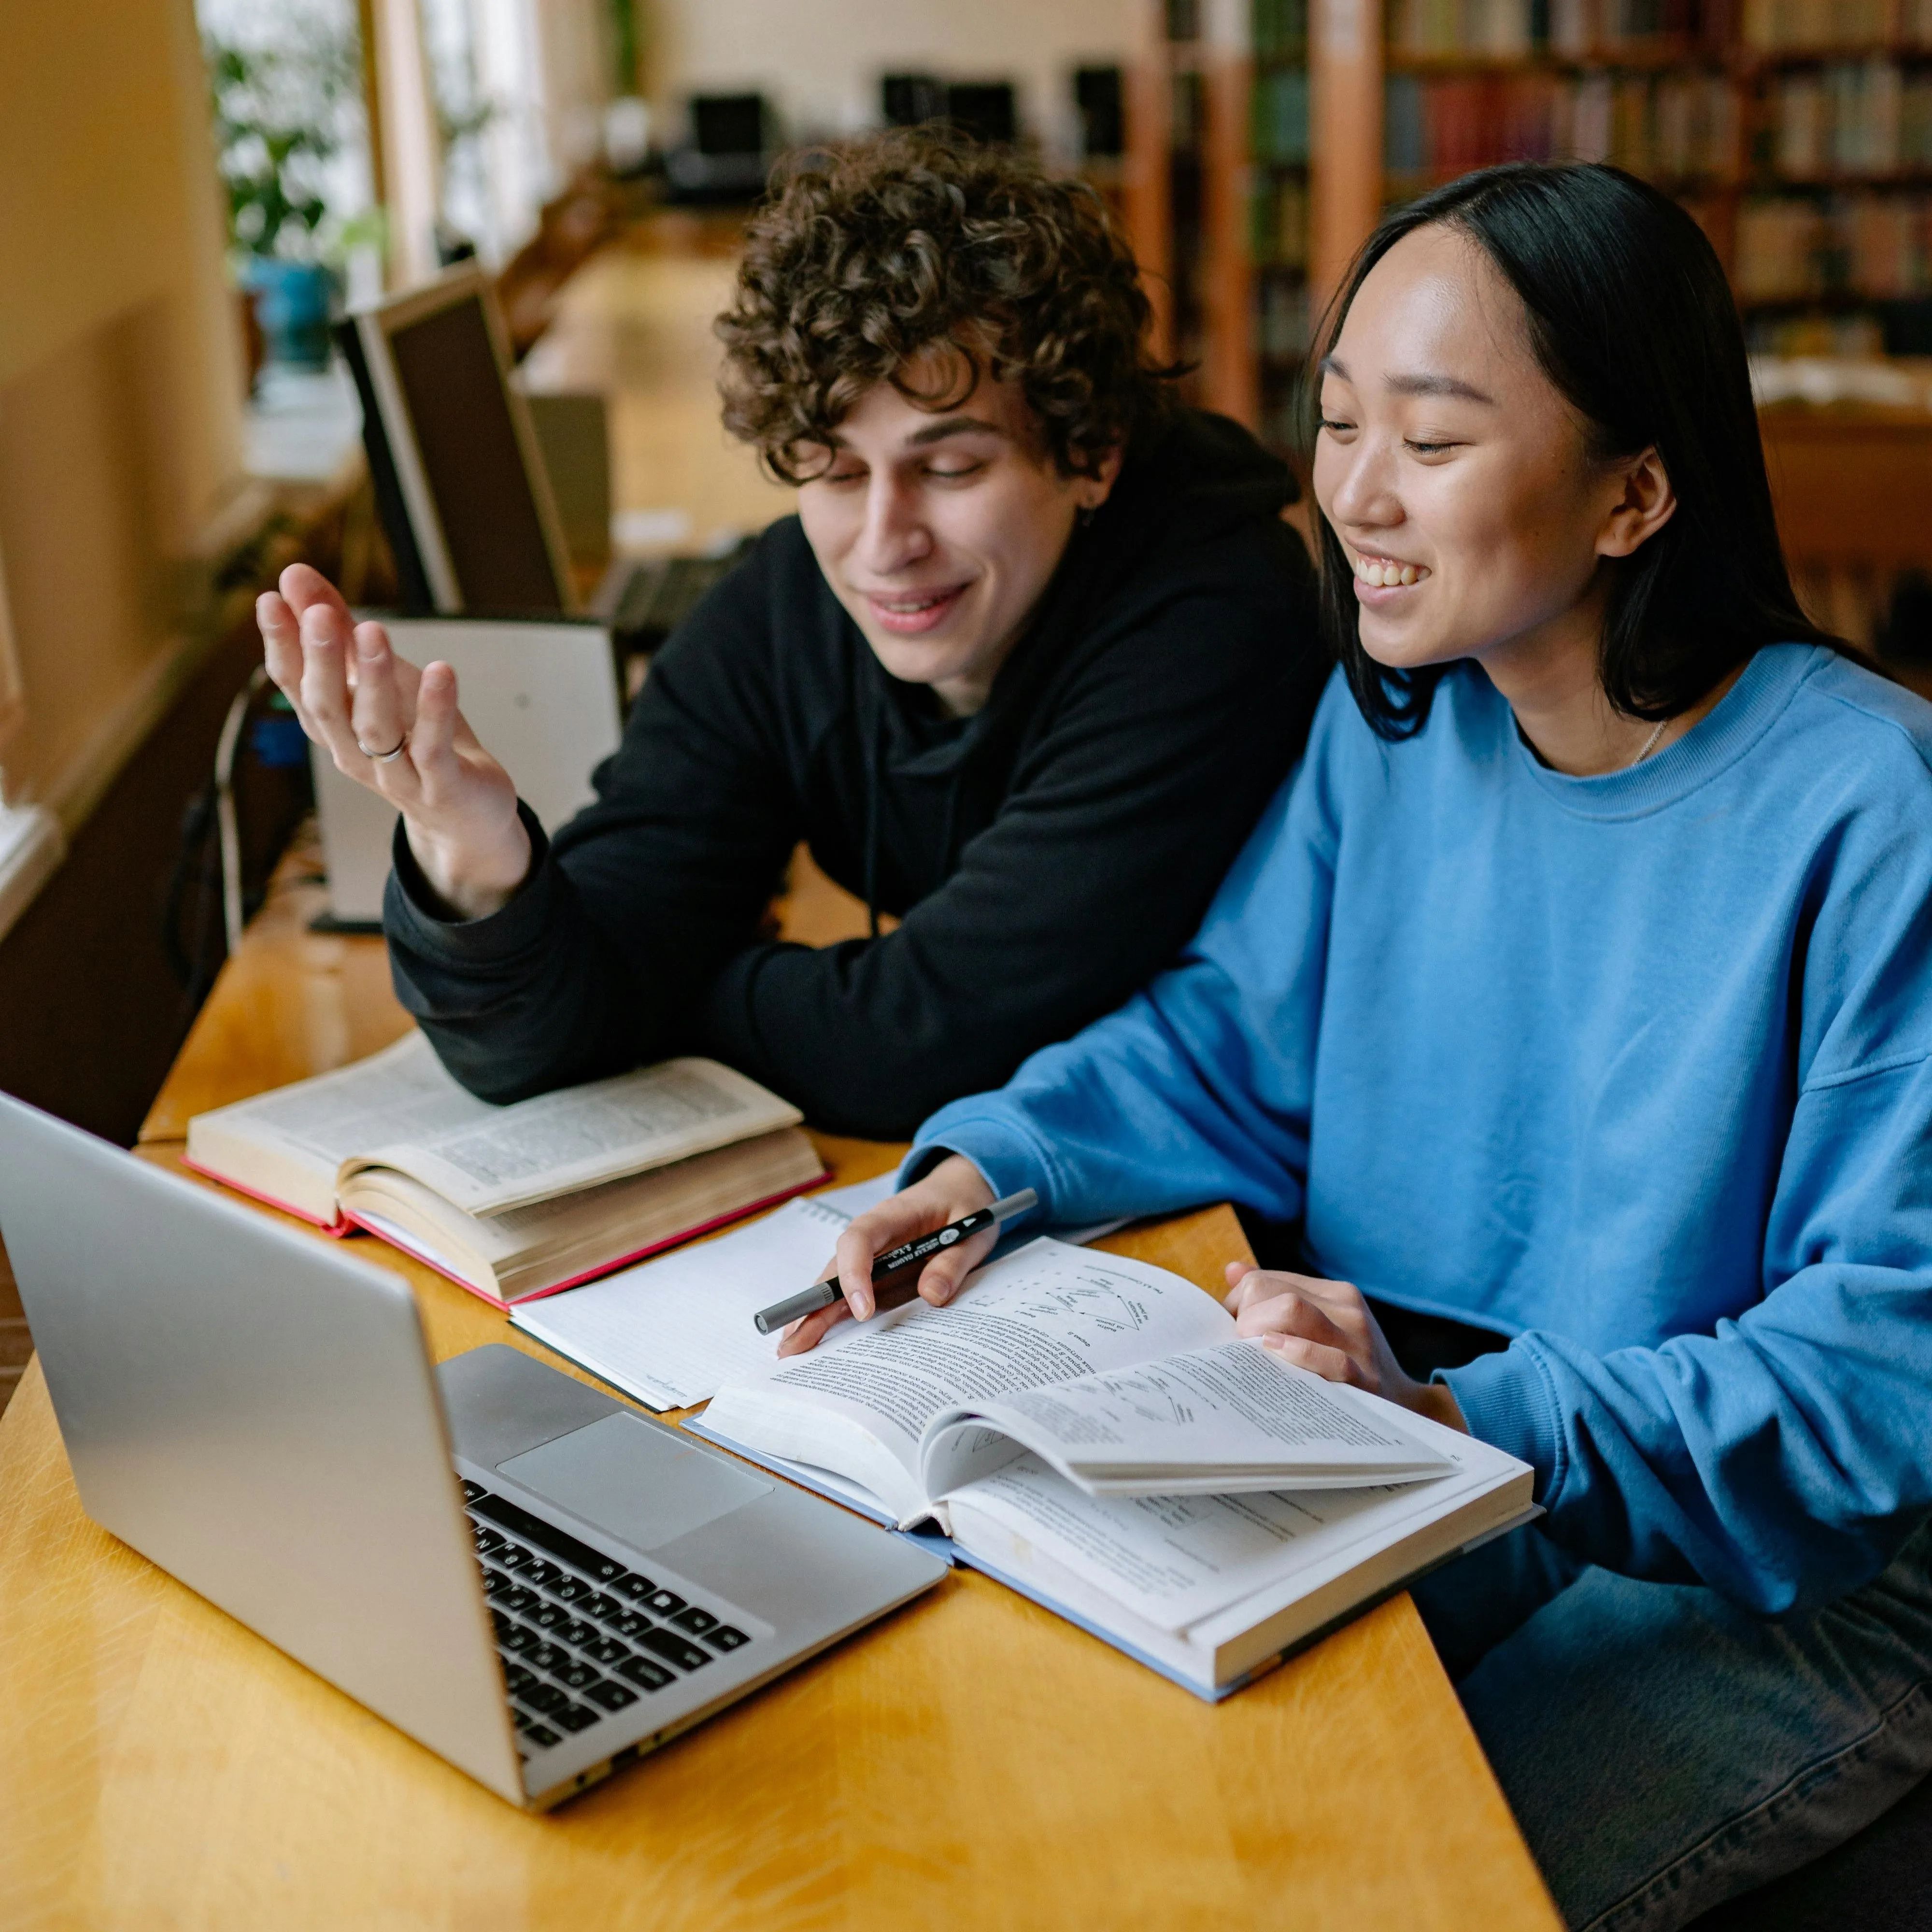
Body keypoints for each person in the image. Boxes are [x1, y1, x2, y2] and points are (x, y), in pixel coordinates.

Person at [795, 163, 1932, 1930]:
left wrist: (1460, 1415)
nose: (1355, 495)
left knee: (1348, 1887)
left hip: (1780, 1573)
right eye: (1338, 423)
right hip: (1453, 1455)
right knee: (1060, 1779)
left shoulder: (1873, 805)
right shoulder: (1396, 716)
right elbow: (1230, 1040)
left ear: (1635, 493)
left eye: (1434, 438)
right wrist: (990, 1167)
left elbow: (1879, 1378)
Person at [259, 128, 1322, 1138]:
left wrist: (659, 1000)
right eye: (836, 471)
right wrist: (479, 859)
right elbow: (542, 1036)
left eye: (951, 467)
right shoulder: (785, 603)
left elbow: (922, 1040)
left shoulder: (1215, 620)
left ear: (1090, 454)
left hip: (1241, 1204)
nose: (884, 543)